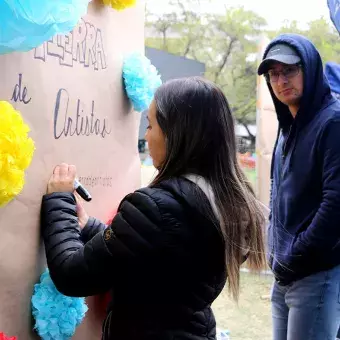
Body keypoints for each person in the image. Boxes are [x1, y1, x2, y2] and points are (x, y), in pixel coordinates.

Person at [40, 77, 266, 340]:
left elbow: (72, 275)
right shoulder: (229, 202)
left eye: (151, 125)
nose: (146, 135)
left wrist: (59, 201)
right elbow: (157, 257)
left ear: (177, 134)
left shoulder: (157, 208)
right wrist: (89, 227)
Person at [258, 33, 340, 340]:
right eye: (273, 74)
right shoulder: (288, 127)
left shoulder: (332, 123)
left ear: (309, 68)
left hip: (316, 275)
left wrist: (297, 254)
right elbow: (277, 190)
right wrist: (274, 248)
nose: (281, 81)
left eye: (289, 70)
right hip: (283, 274)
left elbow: (335, 204)